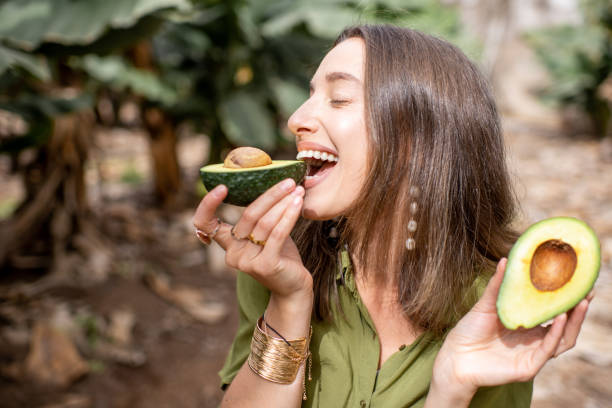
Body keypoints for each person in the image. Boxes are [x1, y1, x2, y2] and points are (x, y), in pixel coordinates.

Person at [192, 24, 591, 407]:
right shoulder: (276, 261)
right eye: (309, 95)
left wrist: (450, 390)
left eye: (339, 98)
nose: (296, 119)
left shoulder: (495, 302)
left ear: (417, 138)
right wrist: (289, 303)